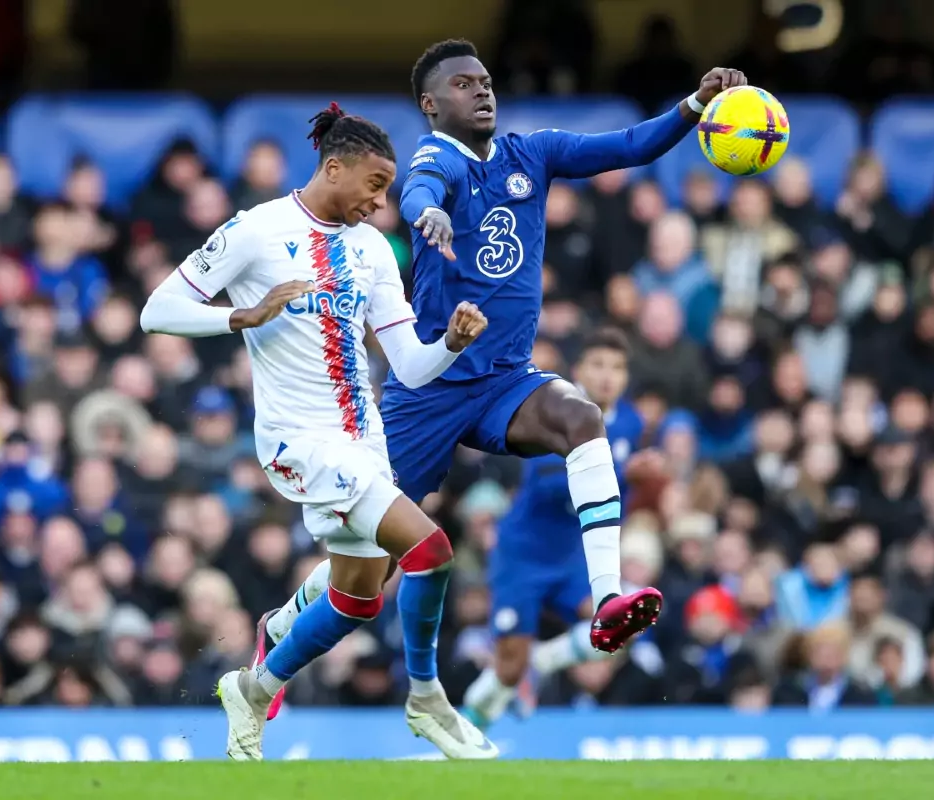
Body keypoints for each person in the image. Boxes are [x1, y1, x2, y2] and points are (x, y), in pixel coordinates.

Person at [256, 43, 744, 668]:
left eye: (485, 81)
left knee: (581, 418)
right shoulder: (437, 159)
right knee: (365, 575)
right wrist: (427, 212)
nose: (482, 91)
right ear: (431, 104)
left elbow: (627, 146)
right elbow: (420, 189)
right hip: (427, 389)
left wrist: (696, 104)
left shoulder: (531, 153)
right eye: (463, 84)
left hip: (505, 380)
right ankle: (279, 629)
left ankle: (608, 601)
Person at [139, 103, 497, 761]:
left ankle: (253, 686)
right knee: (431, 551)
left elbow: (412, 366)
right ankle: (427, 697)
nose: (381, 201)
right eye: (374, 184)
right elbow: (156, 311)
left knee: (357, 601)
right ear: (334, 167)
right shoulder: (256, 230)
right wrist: (242, 316)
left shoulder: (373, 252)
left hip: (363, 443)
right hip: (297, 440)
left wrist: (449, 342)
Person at [462, 328, 644, 729]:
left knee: (624, 623)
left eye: (616, 368)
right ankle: (467, 730)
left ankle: (541, 662)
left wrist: (633, 483)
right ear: (578, 369)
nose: (607, 376)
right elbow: (545, 483)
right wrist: (619, 471)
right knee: (508, 668)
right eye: (597, 365)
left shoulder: (631, 422)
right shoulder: (556, 407)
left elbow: (617, 495)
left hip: (571, 557)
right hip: (523, 555)